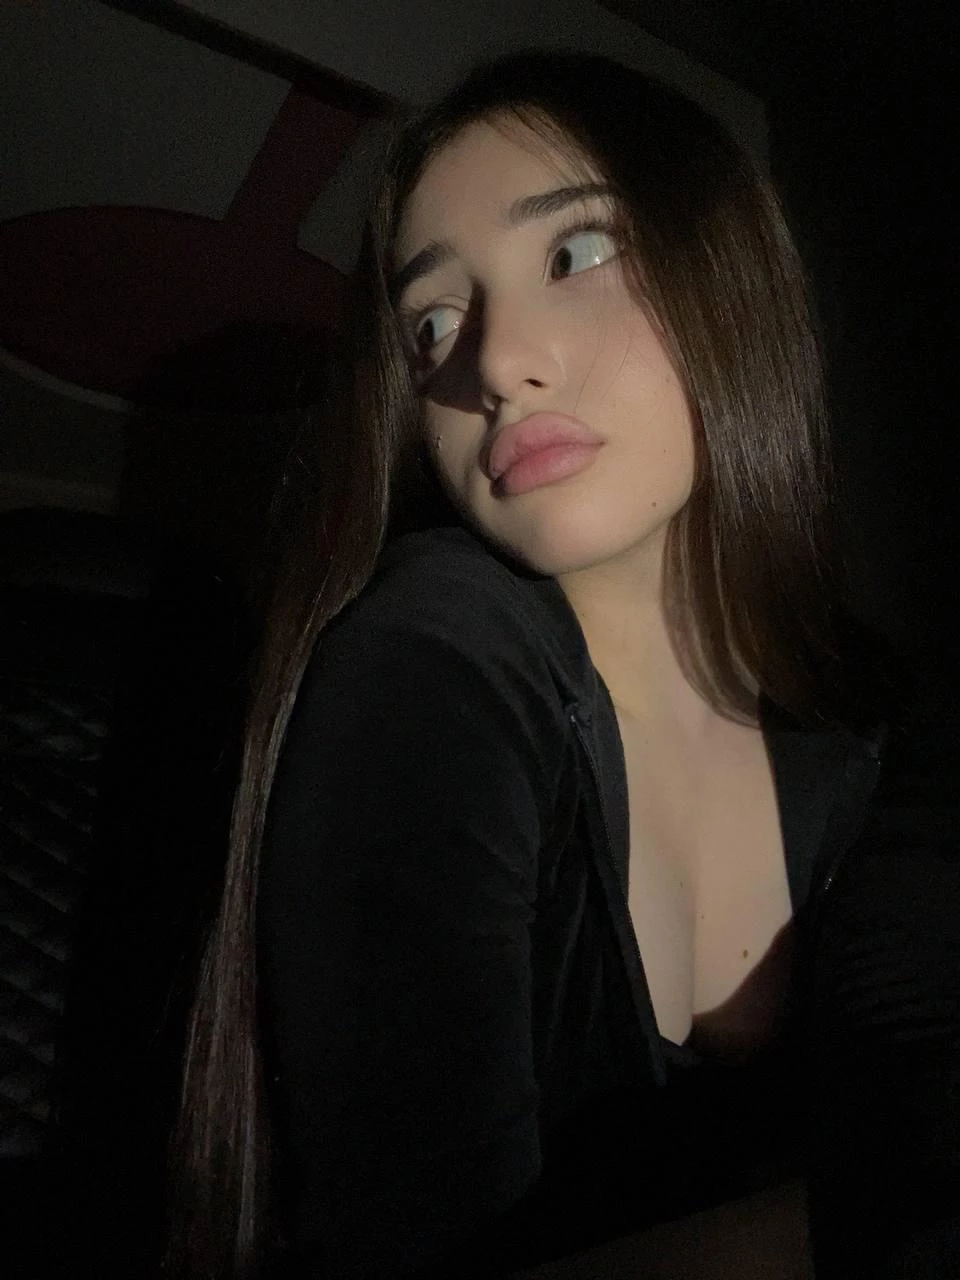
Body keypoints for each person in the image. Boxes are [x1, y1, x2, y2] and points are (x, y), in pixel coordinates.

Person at [167, 49, 960, 1280]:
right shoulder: (436, 652)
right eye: (434, 322)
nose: (492, 364)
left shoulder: (876, 714)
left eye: (575, 253)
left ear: (729, 271)